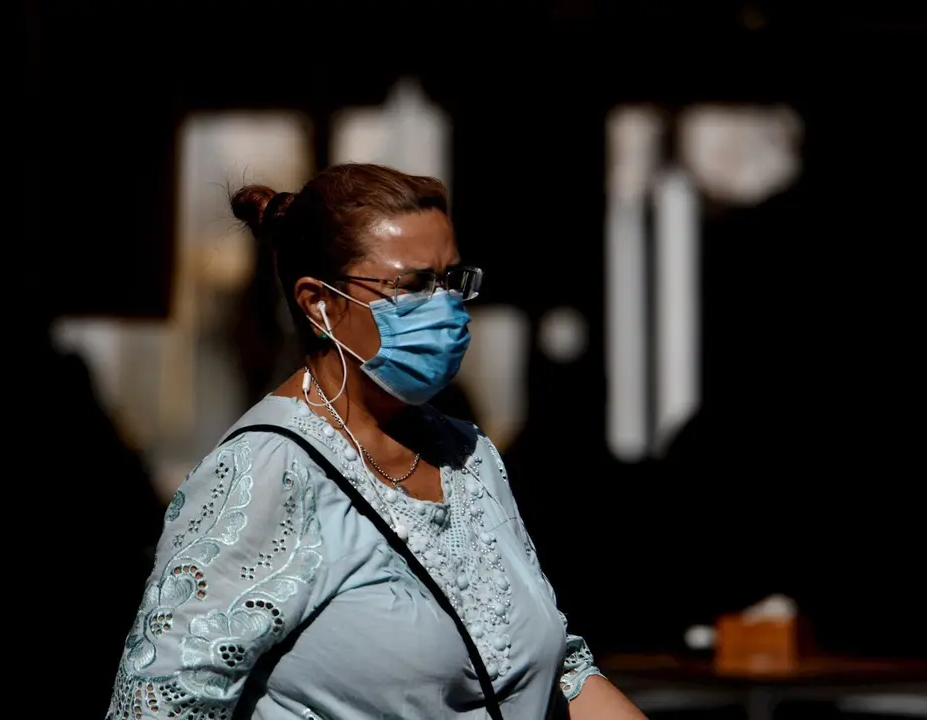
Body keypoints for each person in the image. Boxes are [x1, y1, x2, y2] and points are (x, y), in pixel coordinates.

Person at [106, 163, 646, 719]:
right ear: (318, 303)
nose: (445, 308)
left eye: (451, 281)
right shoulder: (265, 472)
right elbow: (156, 706)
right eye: (413, 286)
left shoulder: (466, 456)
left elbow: (556, 673)